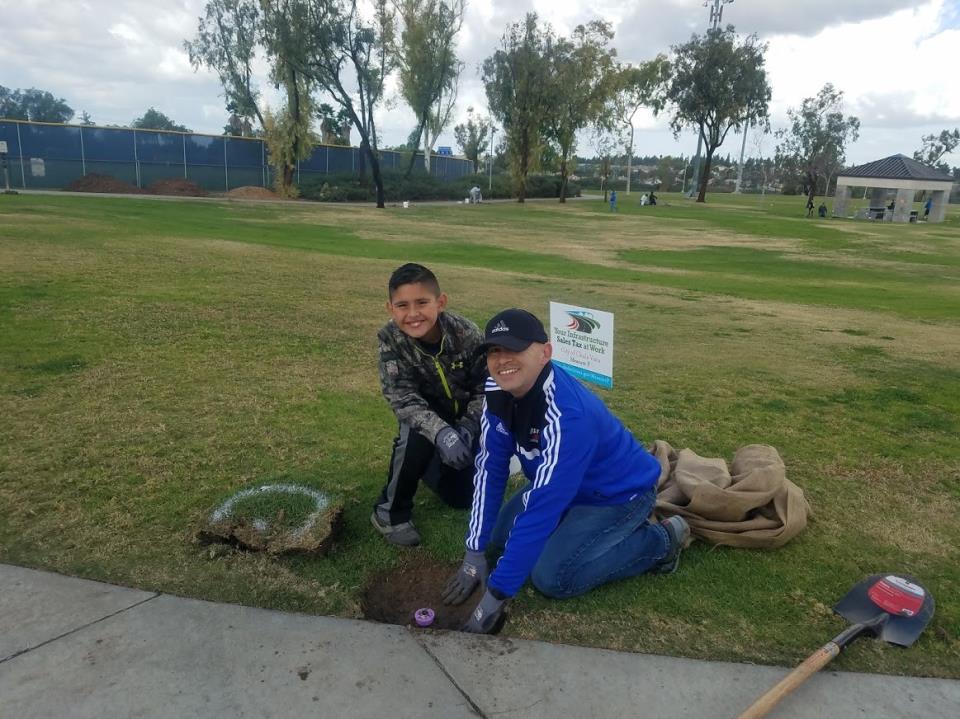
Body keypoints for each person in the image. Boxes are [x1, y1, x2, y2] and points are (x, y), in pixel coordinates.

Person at [443, 309, 690, 633]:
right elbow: (490, 469)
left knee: (553, 576)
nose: (502, 360)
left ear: (545, 352)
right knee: (499, 539)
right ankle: (573, 533)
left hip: (616, 495)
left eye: (514, 348)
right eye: (494, 351)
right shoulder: (496, 389)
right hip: (563, 486)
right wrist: (474, 552)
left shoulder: (567, 415)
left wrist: (496, 595)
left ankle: (661, 541)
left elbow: (544, 506)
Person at [372, 263, 487, 546]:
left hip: (467, 419)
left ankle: (430, 464)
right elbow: (402, 398)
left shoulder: (467, 333)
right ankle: (390, 513)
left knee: (461, 499)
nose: (412, 314)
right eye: (402, 305)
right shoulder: (390, 340)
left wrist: (468, 428)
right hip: (426, 417)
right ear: (390, 308)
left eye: (422, 302)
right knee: (415, 438)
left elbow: (487, 388)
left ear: (441, 302)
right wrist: (441, 433)